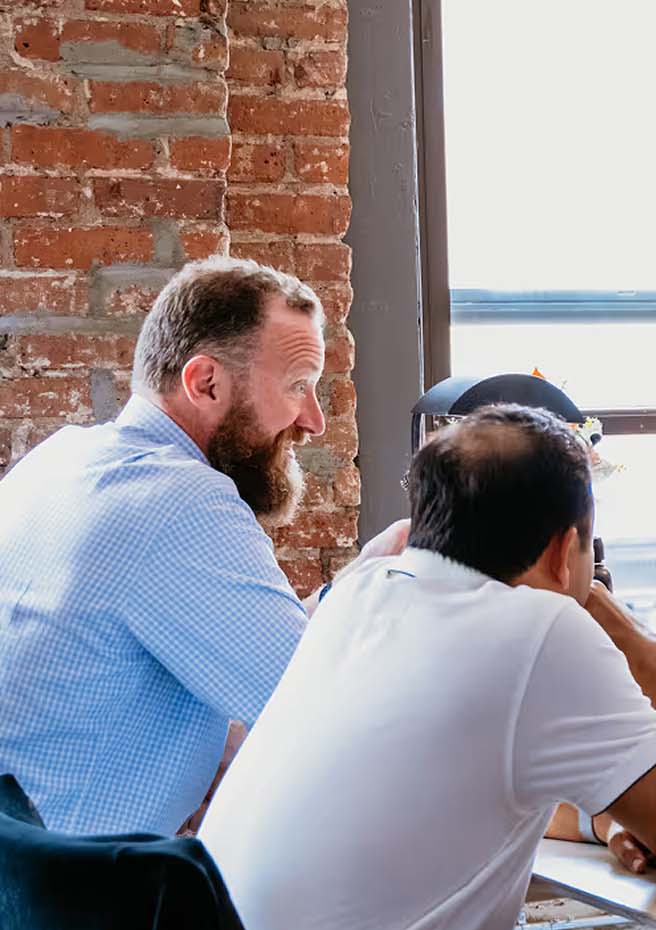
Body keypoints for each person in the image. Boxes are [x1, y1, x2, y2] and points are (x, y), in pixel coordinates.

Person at [198, 404, 656, 930]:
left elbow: (469, 786)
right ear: (563, 554)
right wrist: (649, 655)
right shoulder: (542, 630)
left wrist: (599, 820)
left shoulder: (357, 595)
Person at [0, 257, 407, 836]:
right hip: (77, 900)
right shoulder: (181, 498)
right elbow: (330, 718)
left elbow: (257, 651)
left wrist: (349, 588)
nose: (313, 421)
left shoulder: (62, 458)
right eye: (298, 387)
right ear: (205, 383)